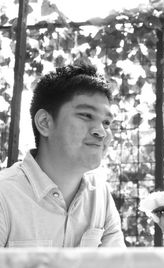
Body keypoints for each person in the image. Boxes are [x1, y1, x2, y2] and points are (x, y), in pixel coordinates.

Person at [0, 64, 126, 247]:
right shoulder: (5, 194)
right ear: (45, 123)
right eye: (86, 115)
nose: (101, 132)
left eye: (106, 122)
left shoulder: (100, 194)